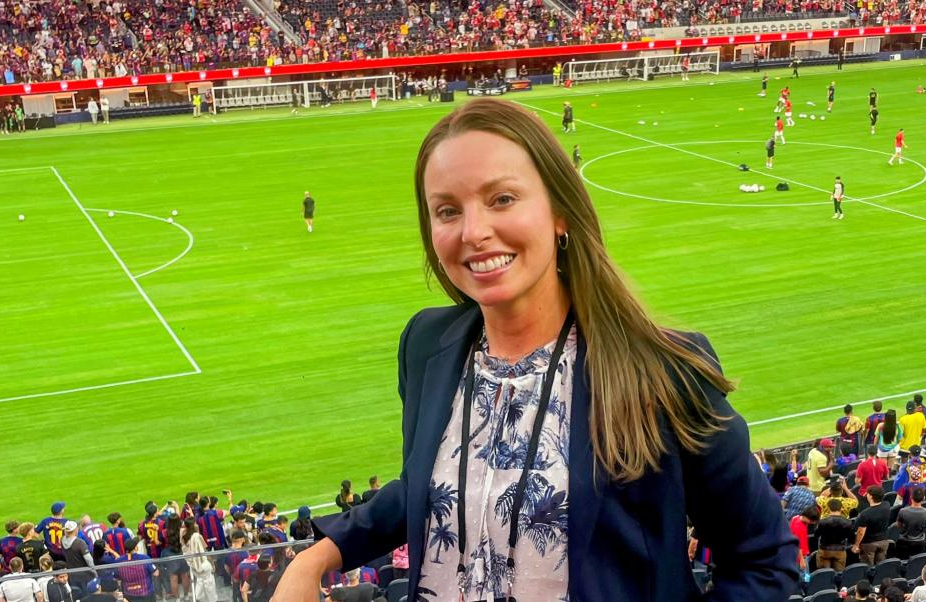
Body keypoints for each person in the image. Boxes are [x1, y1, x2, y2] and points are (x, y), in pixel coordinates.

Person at [271, 98, 799, 602]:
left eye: (502, 199)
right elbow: (428, 479)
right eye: (447, 210)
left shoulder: (662, 372)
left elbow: (764, 560)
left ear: (560, 212)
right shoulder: (426, 344)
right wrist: (316, 557)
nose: (474, 232)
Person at [853, 486, 890, 565]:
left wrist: (856, 545)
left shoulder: (865, 514)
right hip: (884, 541)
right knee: (880, 566)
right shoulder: (887, 505)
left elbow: (860, 532)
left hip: (869, 544)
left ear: (871, 496)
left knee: (867, 566)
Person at [183, 520, 217, 602]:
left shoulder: (185, 537)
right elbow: (205, 551)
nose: (197, 524)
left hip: (194, 566)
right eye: (195, 523)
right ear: (193, 525)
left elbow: (186, 553)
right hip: (203, 564)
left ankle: (199, 598)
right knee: (209, 584)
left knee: (200, 581)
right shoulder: (197, 536)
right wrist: (212, 563)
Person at [815, 498, 854, 571]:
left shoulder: (822, 522)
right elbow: (851, 538)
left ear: (828, 508)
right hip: (840, 550)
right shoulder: (848, 522)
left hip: (824, 550)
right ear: (841, 508)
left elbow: (816, 535)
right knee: (839, 573)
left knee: (824, 573)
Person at [895, 488, 926, 560]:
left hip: (904, 542)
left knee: (902, 561)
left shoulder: (903, 511)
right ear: (923, 498)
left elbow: (898, 525)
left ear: (911, 497)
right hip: (920, 542)